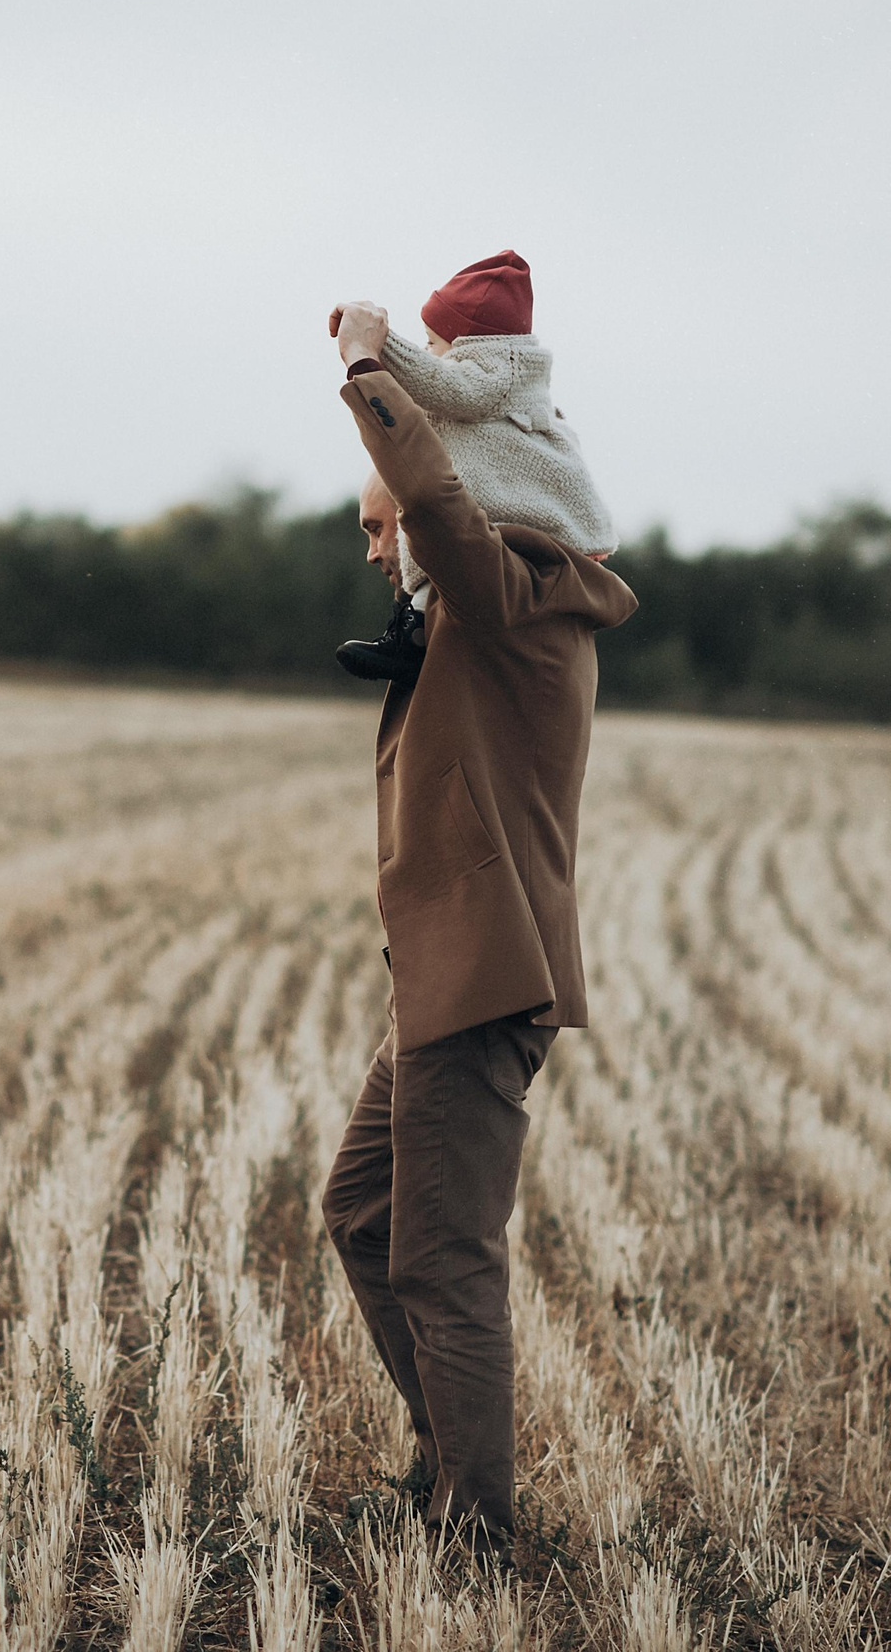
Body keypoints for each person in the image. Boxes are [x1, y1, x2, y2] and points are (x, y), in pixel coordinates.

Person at [318, 297, 638, 1562]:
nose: (370, 550)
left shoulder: (508, 598)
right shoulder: (483, 616)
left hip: (477, 983)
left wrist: (365, 370)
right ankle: (448, 1465)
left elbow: (446, 512)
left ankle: (477, 1529)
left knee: (443, 1260)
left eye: (372, 526)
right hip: (447, 984)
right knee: (359, 1214)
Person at [334, 250, 616, 682]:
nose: (429, 355)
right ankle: (410, 632)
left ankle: (409, 637)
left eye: (432, 343)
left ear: (469, 345)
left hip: (495, 550)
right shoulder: (510, 394)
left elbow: (440, 401)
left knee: (443, 553)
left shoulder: (490, 378)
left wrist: (376, 348)